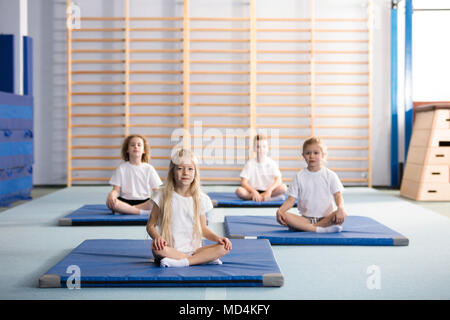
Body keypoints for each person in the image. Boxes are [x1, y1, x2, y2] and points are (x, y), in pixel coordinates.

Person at [146, 148, 232, 268]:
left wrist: (219, 238)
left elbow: (203, 229)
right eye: (180, 168)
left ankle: (184, 262)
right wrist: (158, 238)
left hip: (195, 250)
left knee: (224, 247)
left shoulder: (201, 198)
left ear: (195, 173)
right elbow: (150, 225)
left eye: (190, 169)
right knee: (157, 249)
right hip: (170, 249)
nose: (185, 173)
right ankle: (201, 260)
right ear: (173, 172)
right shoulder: (161, 195)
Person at [276, 136, 347, 233]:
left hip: (326, 218)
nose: (312, 156)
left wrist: (341, 208)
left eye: (316, 153)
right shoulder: (299, 176)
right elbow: (291, 200)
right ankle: (318, 229)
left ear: (323, 155)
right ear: (303, 155)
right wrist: (280, 211)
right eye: (308, 153)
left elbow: (338, 196)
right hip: (305, 219)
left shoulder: (330, 175)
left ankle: (307, 228)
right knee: (284, 216)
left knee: (343, 213)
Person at [106, 134, 162, 215]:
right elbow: (116, 190)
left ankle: (128, 210)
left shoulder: (149, 168)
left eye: (139, 145)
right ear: (127, 150)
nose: (136, 147)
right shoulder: (121, 168)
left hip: (145, 202)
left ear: (144, 150)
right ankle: (142, 212)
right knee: (110, 202)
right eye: (132, 145)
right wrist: (112, 195)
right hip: (125, 201)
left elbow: (156, 191)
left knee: (159, 199)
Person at [236, 133, 287, 202]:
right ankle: (266, 198)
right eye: (258, 147)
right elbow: (244, 182)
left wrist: (269, 190)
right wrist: (254, 192)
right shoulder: (249, 164)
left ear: (267, 148)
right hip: (253, 192)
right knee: (239, 191)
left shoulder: (272, 163)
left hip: (268, 190)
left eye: (264, 146)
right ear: (254, 149)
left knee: (283, 188)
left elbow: (278, 180)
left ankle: (260, 198)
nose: (261, 149)